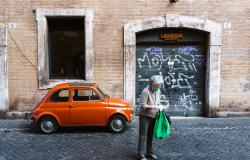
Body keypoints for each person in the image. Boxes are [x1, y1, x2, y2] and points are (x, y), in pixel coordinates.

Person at [137, 75, 163, 160]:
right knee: (143, 135)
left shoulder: (158, 91)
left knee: (150, 135)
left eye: (159, 85)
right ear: (152, 84)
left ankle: (150, 153)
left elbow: (157, 102)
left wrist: (159, 106)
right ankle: (140, 155)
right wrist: (153, 106)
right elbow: (143, 105)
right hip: (145, 115)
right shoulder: (145, 91)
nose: (159, 87)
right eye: (158, 85)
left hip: (153, 115)